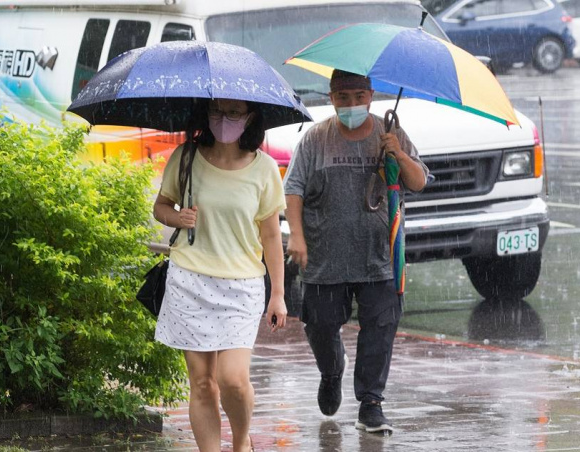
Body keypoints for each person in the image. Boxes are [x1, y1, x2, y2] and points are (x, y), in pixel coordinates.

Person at [283, 70, 429, 434]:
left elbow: (419, 181)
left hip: (379, 256)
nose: (352, 105)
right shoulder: (316, 138)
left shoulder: (389, 132)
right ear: (332, 98)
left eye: (359, 96)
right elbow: (294, 189)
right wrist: (296, 236)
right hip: (324, 257)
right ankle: (331, 371)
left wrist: (398, 153)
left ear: (371, 95)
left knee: (380, 328)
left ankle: (371, 403)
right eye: (343, 97)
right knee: (319, 324)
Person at [153, 98, 288, 452]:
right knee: (202, 384)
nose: (223, 120)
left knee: (233, 380)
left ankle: (242, 442)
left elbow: (271, 236)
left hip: (242, 286)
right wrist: (176, 218)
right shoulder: (186, 158)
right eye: (216, 112)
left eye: (233, 113)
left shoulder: (264, 169)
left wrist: (278, 294)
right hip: (189, 280)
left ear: (251, 117)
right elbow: (161, 206)